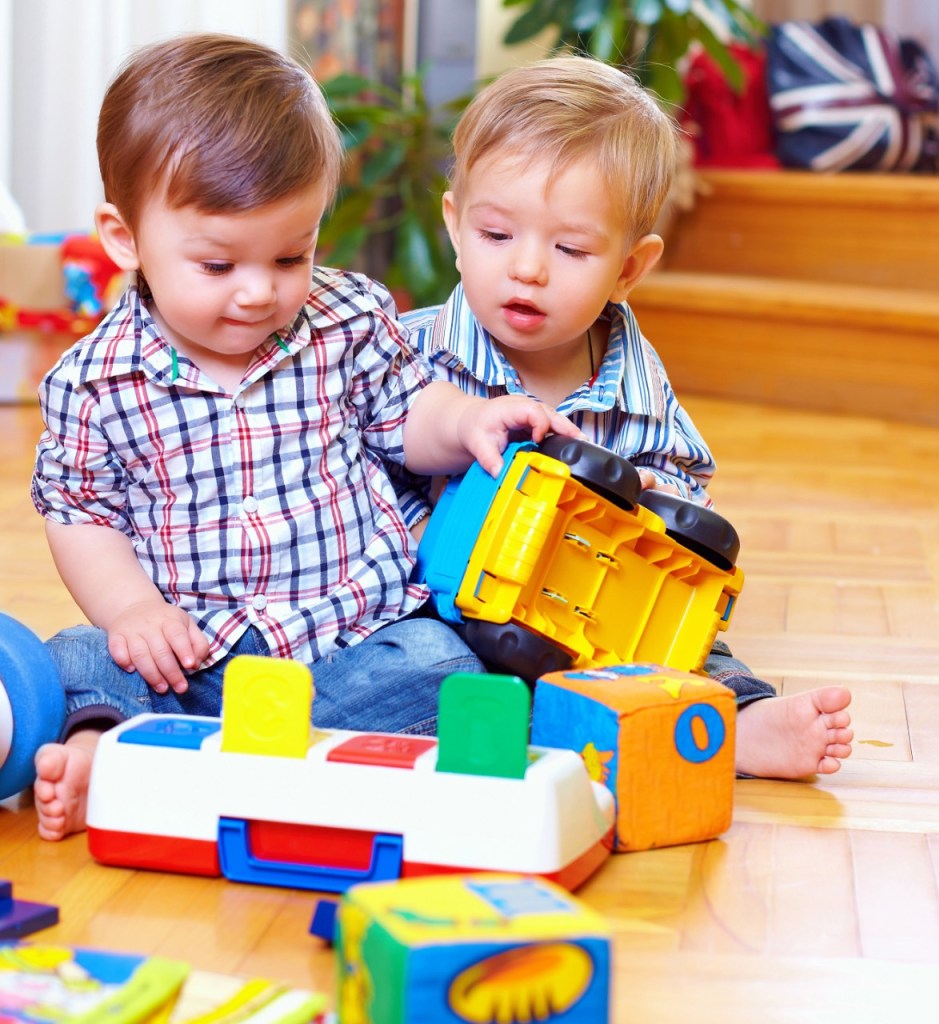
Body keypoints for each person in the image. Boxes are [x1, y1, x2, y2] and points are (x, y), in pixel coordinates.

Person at [29, 34, 580, 842]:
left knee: (444, 664)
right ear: (125, 239)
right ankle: (101, 751)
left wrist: (466, 420)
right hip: (194, 664)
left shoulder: (344, 318)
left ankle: (242, 771)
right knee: (77, 657)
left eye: (292, 255)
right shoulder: (94, 380)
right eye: (218, 266)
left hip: (348, 649)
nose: (260, 292)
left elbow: (407, 413)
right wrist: (134, 609)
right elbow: (81, 513)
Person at [398, 55, 854, 780]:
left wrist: (636, 507)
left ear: (629, 269)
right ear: (454, 225)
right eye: (496, 236)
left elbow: (684, 492)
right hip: (449, 614)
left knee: (694, 655)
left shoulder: (637, 382)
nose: (528, 269)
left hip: (595, 623)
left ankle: (738, 725)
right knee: (419, 665)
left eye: (571, 248)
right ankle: (526, 727)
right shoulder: (407, 352)